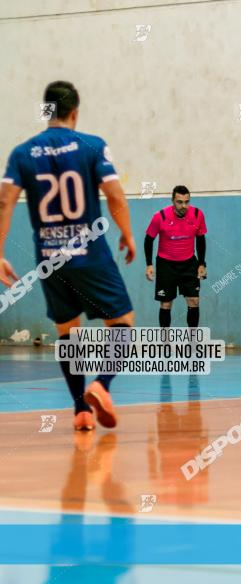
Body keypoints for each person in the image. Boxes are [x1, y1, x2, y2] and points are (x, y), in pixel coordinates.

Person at [0, 80, 135, 431]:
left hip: (49, 258)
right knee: (123, 323)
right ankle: (100, 385)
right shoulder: (92, 145)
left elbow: (4, 201)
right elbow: (115, 195)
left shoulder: (22, 153)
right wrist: (129, 234)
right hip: (89, 252)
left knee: (68, 332)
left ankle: (81, 411)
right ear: (76, 111)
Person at [144, 185, 207, 327]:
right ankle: (165, 343)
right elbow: (148, 240)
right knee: (166, 303)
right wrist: (149, 264)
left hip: (189, 263)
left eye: (187, 202)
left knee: (194, 301)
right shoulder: (159, 217)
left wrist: (202, 264)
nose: (184, 206)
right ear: (172, 201)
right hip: (166, 264)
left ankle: (192, 343)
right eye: (180, 202)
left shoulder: (197, 215)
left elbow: (201, 239)